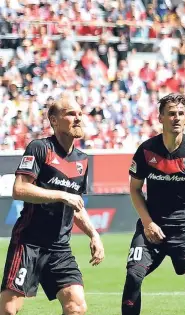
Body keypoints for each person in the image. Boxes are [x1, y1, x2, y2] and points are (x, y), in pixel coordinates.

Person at [0, 95, 105, 315]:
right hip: (28, 242)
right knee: (9, 309)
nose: (77, 118)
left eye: (79, 113)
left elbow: (76, 204)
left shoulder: (82, 160)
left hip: (59, 248)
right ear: (54, 120)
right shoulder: (40, 148)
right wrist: (61, 195)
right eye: (70, 113)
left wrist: (94, 234)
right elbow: (19, 189)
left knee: (76, 306)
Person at [121, 93, 185, 315]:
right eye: (171, 114)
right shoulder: (146, 151)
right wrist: (147, 222)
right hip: (152, 224)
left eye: (181, 114)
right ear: (160, 118)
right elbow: (135, 189)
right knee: (133, 275)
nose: (176, 118)